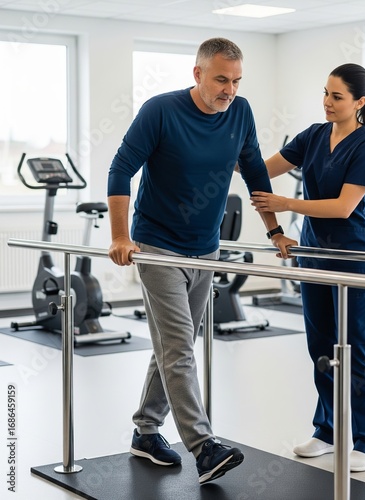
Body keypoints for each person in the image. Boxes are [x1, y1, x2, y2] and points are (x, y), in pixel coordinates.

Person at [107, 37, 296, 484]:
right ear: (197, 74)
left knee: (176, 348)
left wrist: (274, 229)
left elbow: (254, 174)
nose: (229, 89)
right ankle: (203, 447)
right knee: (178, 349)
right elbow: (120, 168)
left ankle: (145, 431)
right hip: (158, 248)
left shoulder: (241, 112)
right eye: (221, 79)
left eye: (236, 81)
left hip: (206, 250)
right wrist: (119, 235)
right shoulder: (161, 111)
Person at [250, 63, 365, 472]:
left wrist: (286, 205)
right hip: (313, 254)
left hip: (352, 257)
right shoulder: (313, 135)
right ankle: (327, 431)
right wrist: (226, 146)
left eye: (337, 96)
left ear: (359, 102)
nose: (327, 102)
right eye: (325, 93)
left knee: (357, 348)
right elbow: (261, 168)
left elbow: (343, 207)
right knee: (321, 347)